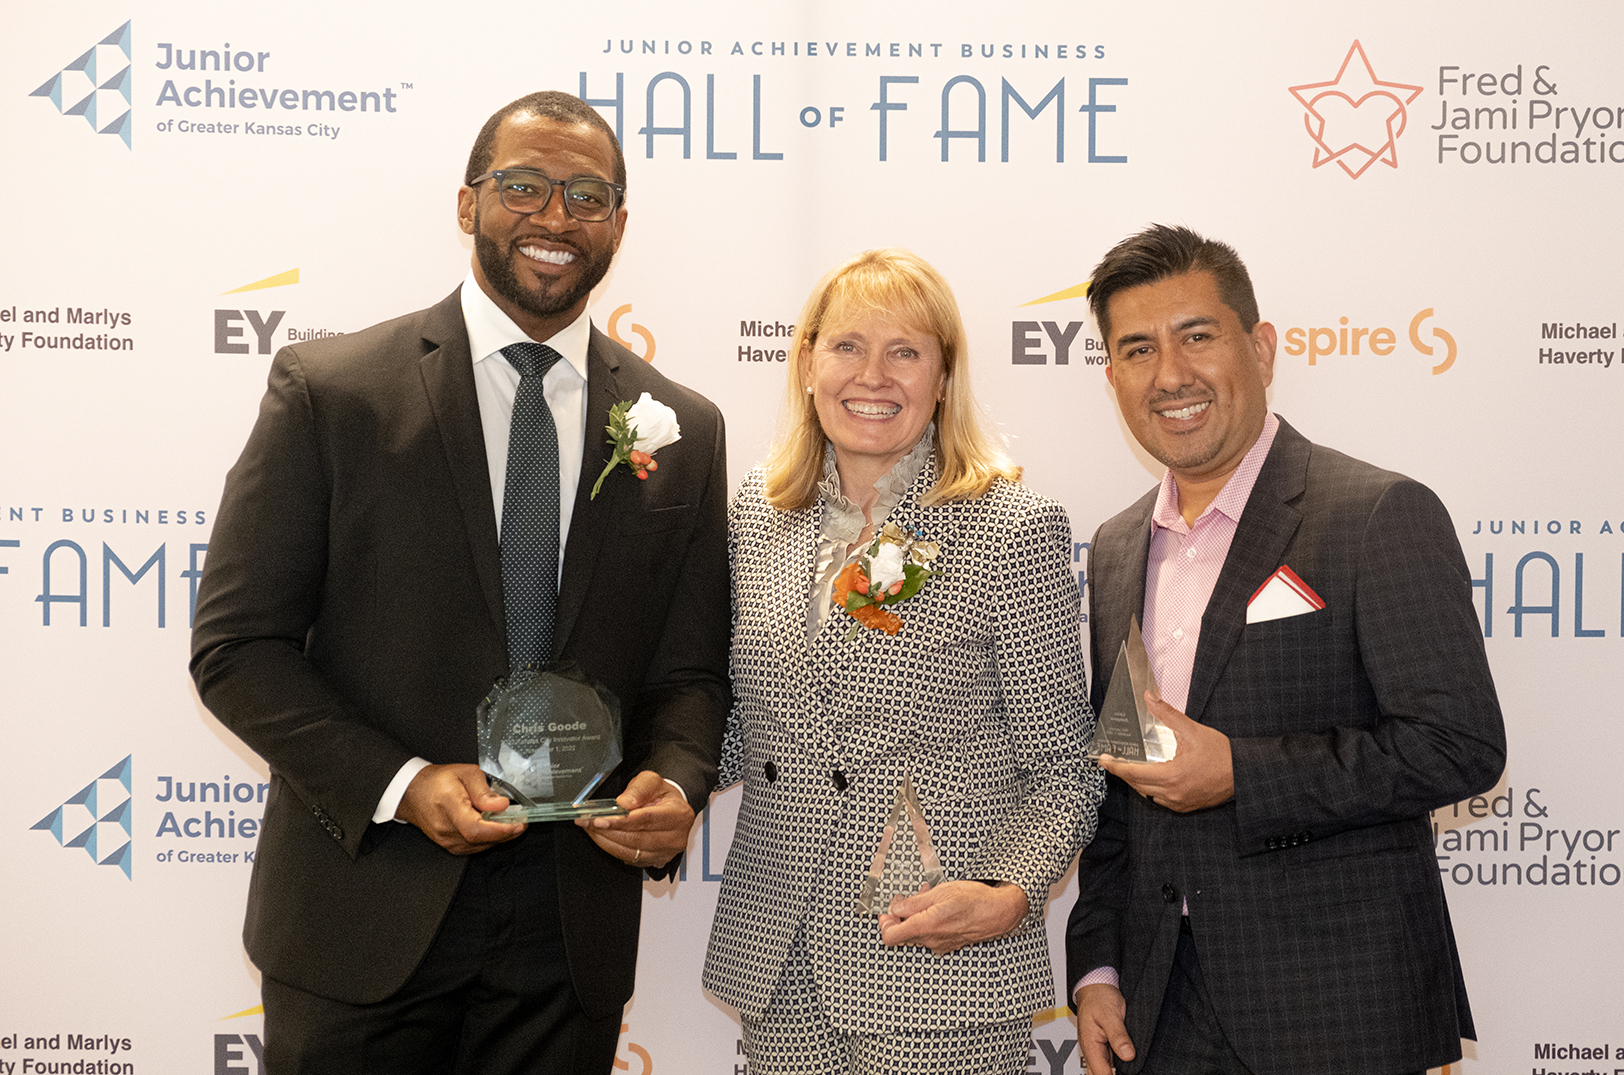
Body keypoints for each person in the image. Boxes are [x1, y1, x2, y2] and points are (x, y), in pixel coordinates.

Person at [189, 91, 729, 1074]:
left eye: (587, 194)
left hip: (570, 929)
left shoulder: (681, 426)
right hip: (364, 913)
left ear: (619, 222)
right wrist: (403, 784)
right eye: (522, 186)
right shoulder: (333, 391)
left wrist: (680, 782)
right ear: (466, 204)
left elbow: (689, 670)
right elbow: (237, 649)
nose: (556, 217)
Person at [1065, 224, 1506, 1075]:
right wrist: (1098, 968)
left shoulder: (1375, 512)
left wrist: (1241, 771)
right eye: (1138, 349)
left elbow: (1461, 747)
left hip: (1340, 1011)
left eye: (1197, 336)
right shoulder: (1117, 548)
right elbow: (1118, 789)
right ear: (1113, 377)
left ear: (1261, 348)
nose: (1172, 375)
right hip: (1159, 1016)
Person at [704, 248, 1102, 1074]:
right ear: (807, 360)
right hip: (782, 964)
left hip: (936, 956)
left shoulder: (1007, 526)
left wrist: (1009, 891)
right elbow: (748, 721)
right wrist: (640, 779)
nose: (872, 375)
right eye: (847, 345)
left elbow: (1066, 767)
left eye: (906, 351)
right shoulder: (757, 514)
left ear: (944, 377)